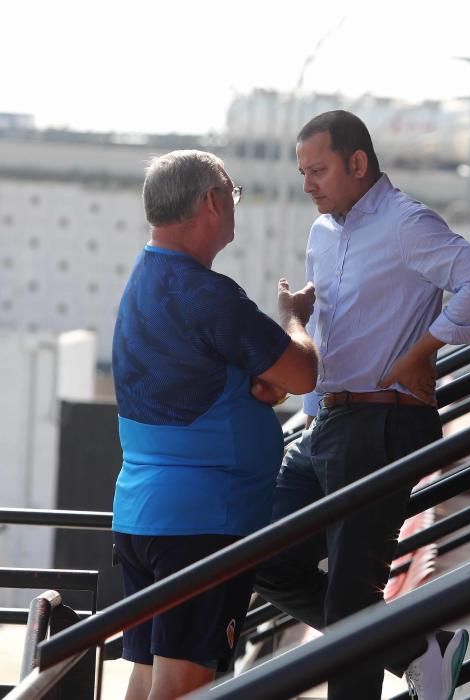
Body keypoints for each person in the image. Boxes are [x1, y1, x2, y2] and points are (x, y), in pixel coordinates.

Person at [255, 110, 470, 700]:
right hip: (327, 422)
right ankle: (419, 648)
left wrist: (425, 351)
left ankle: (410, 653)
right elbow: (330, 331)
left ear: (358, 163)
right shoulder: (322, 234)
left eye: (317, 169)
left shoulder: (407, 222)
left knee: (350, 594)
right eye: (302, 171)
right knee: (262, 556)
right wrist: (305, 390)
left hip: (384, 420)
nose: (307, 184)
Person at [111, 149, 318, 700]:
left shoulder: (144, 277)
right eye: (233, 195)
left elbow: (225, 375)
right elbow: (301, 372)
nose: (234, 207)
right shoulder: (205, 294)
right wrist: (293, 318)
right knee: (185, 685)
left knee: (152, 676)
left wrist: (259, 383)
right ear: (210, 201)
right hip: (200, 521)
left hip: (143, 514)